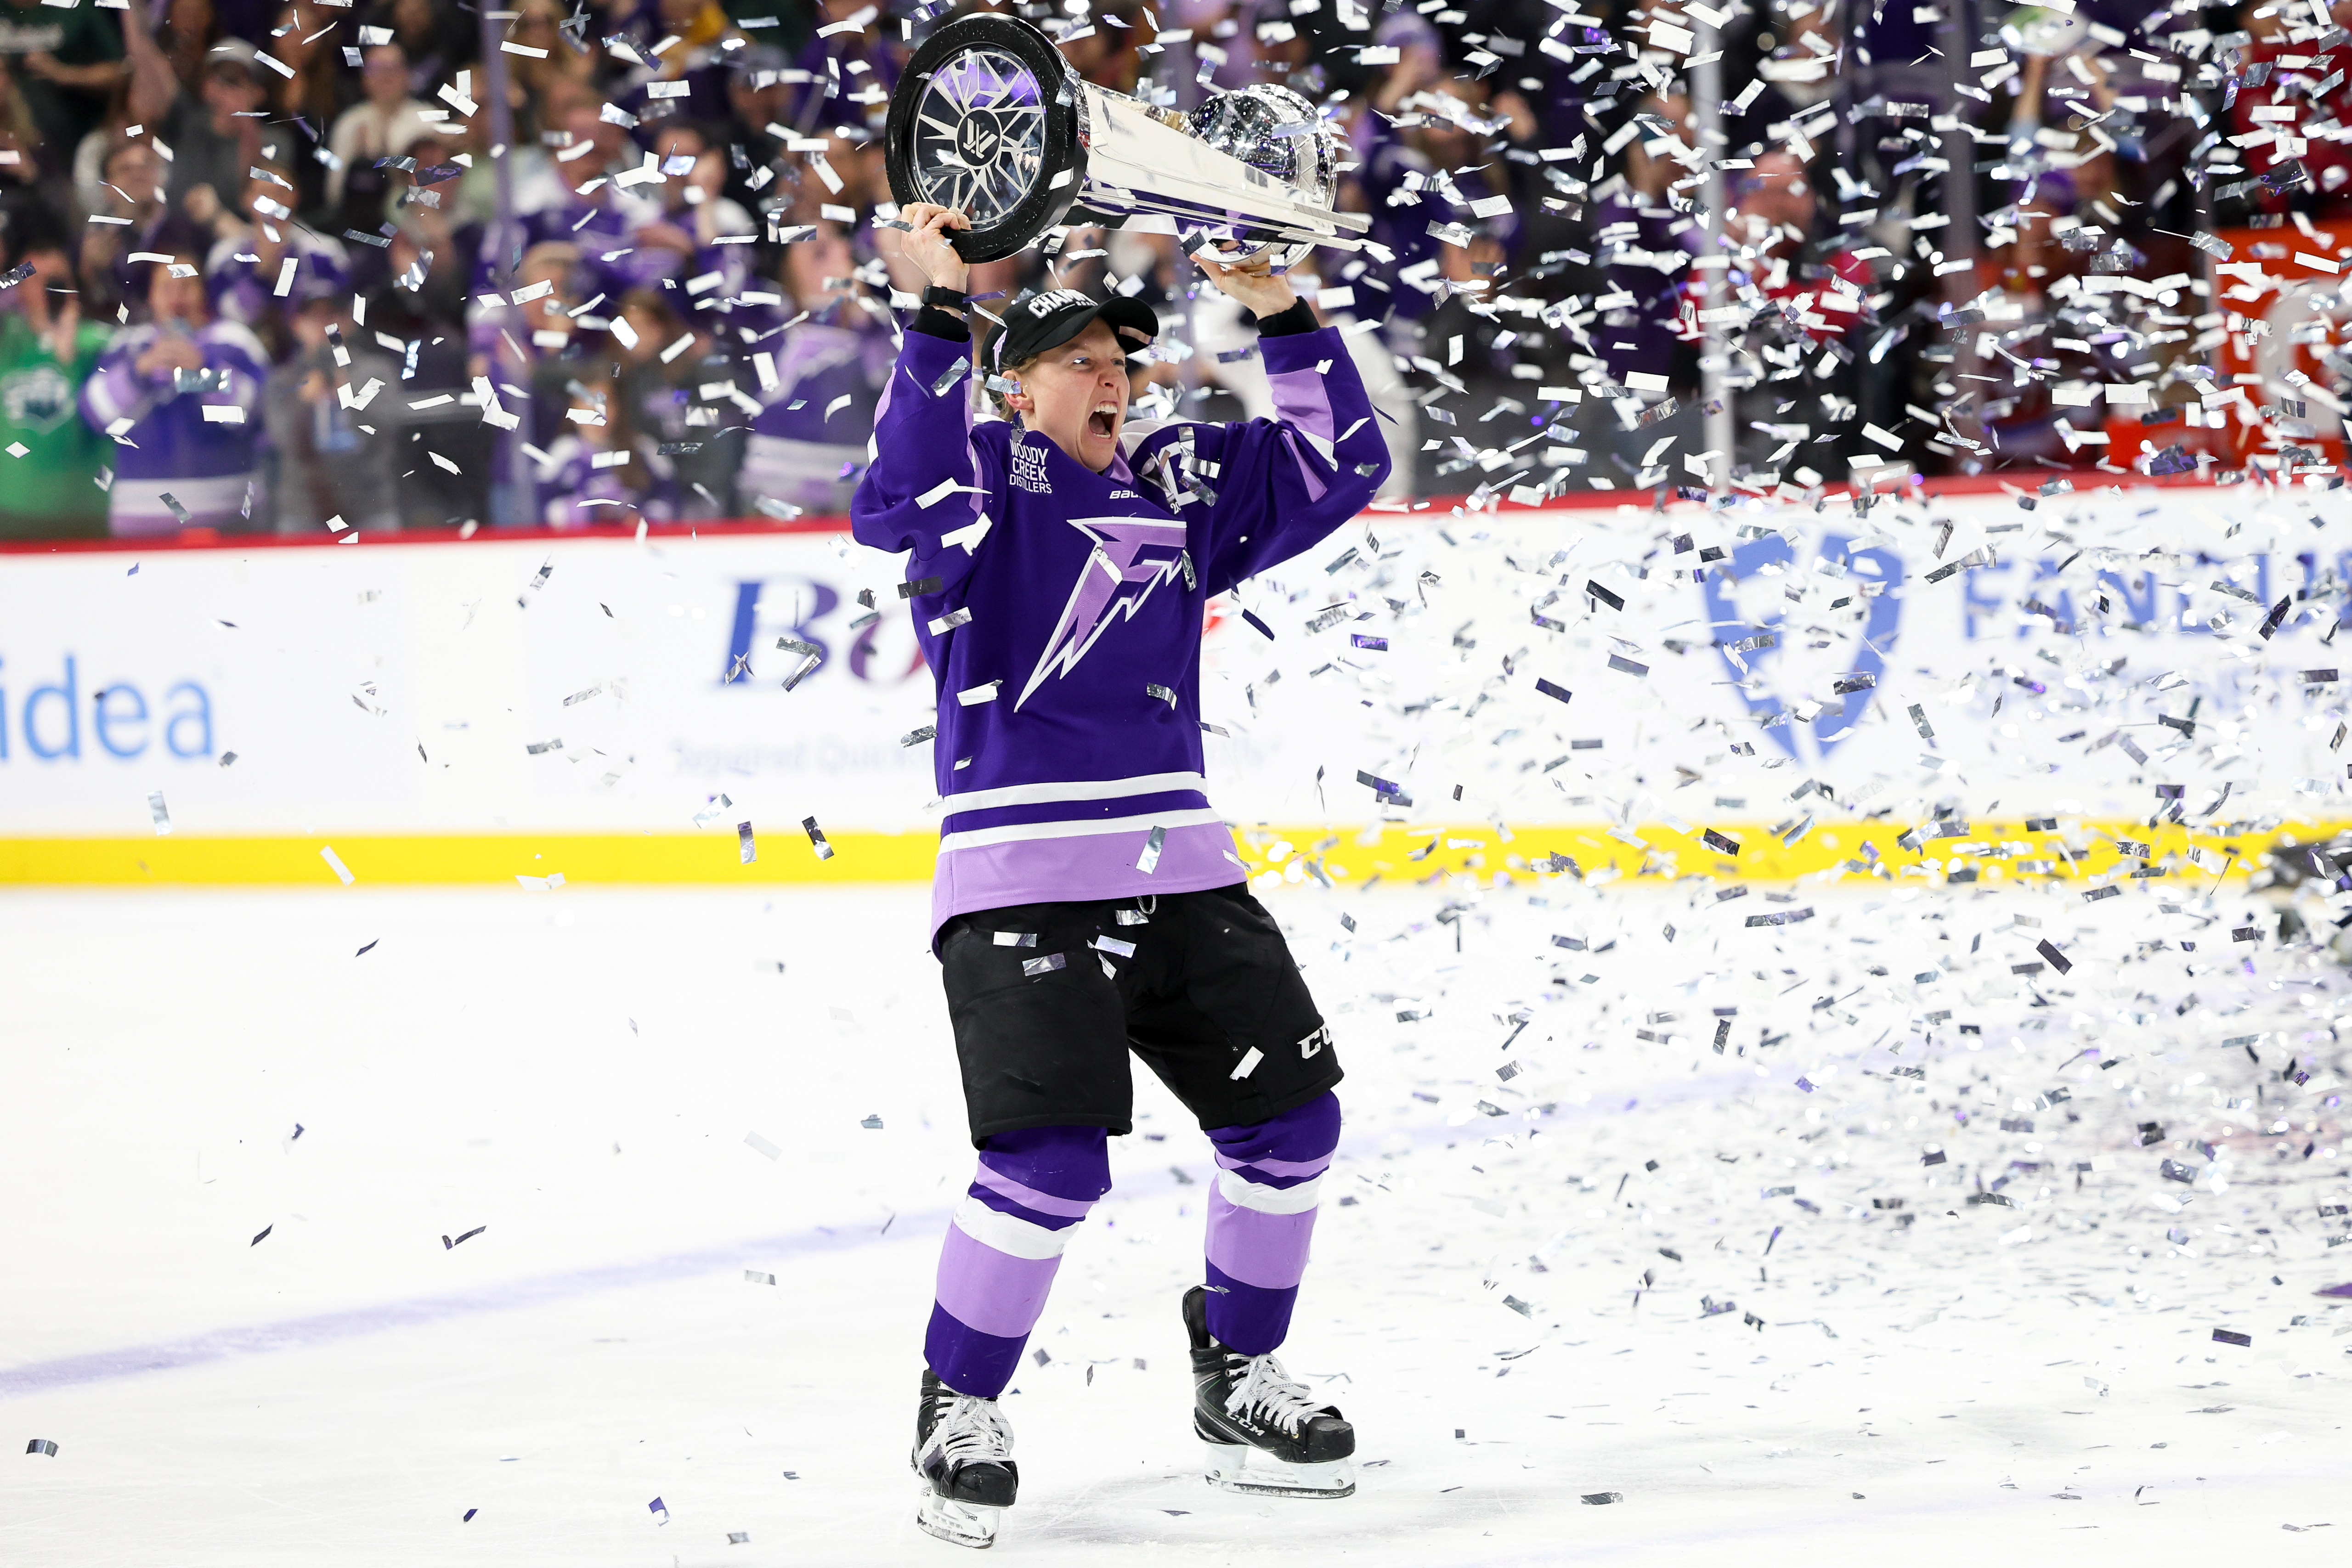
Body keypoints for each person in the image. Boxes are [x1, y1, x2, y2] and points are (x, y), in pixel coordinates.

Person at [856, 203, 1391, 1550]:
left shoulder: (1177, 480)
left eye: (1125, 363)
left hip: (1182, 867)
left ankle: (1236, 1373)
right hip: (1021, 881)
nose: (1116, 381)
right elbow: (889, 498)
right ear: (1012, 384)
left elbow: (1344, 460)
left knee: (1291, 1132)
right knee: (1045, 1164)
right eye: (1081, 360)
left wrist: (1277, 311)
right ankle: (957, 1406)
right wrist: (931, 310)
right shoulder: (977, 478)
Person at [79, 235, 267, 534]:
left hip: (228, 514)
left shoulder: (234, 341)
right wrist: (139, 374)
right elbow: (95, 415)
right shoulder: (127, 345)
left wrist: (200, 373)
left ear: (203, 292)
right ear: (151, 296)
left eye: (186, 286)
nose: (176, 298)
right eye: (166, 288)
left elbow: (252, 416)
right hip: (139, 517)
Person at [0, 220, 113, 539]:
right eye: (36, 279)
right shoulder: (7, 341)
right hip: (13, 513)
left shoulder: (99, 343)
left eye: (58, 280)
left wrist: (70, 357)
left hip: (83, 516)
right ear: (21, 288)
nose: (49, 289)